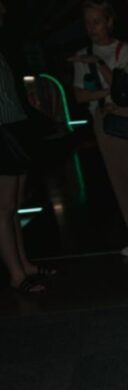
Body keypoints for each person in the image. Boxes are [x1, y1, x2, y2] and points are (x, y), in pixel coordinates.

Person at [70, 0, 128, 262]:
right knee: (118, 181)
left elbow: (124, 90)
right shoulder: (81, 54)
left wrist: (98, 65)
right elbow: (80, 95)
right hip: (102, 121)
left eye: (96, 21)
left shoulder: (123, 50)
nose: (92, 28)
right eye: (87, 22)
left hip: (125, 118)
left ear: (108, 21)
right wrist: (106, 93)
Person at [0, 0, 55, 294]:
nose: (4, 11)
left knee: (14, 206)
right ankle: (16, 274)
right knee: (4, 207)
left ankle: (24, 264)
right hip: (2, 132)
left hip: (13, 128)